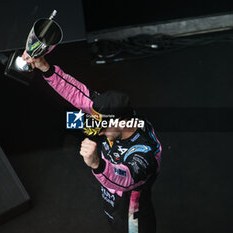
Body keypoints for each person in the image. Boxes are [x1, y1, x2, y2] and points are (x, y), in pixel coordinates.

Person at [23, 52, 162, 233]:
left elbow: (126, 179)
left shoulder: (146, 151)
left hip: (131, 212)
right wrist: (45, 67)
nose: (99, 130)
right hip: (109, 197)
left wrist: (97, 164)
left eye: (104, 126)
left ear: (122, 122)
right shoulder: (110, 114)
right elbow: (78, 94)